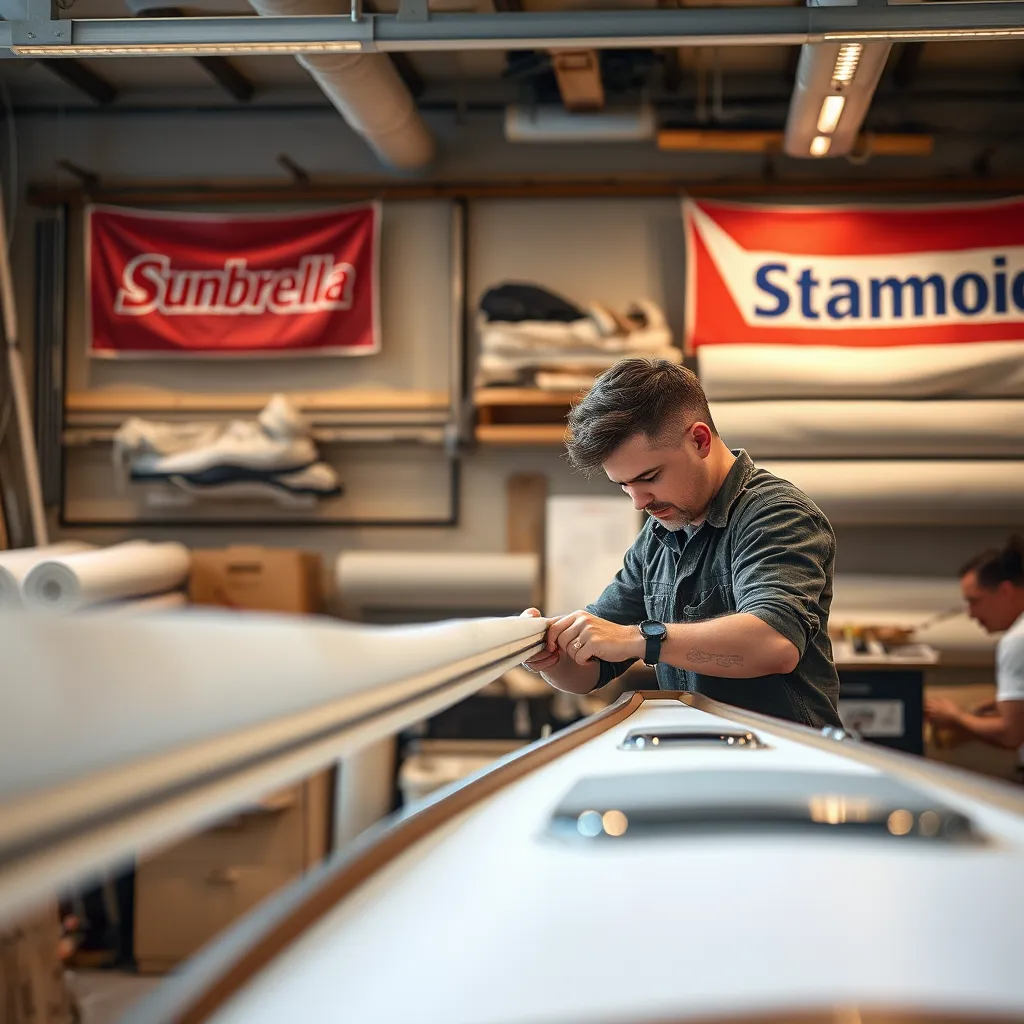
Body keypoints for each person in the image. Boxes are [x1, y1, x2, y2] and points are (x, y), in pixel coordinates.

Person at [522, 358, 843, 729]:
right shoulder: (660, 534)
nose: (639, 502)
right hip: (702, 755)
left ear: (700, 440)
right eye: (624, 485)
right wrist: (551, 657)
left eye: (650, 477)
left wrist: (640, 638)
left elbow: (774, 644)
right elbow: (589, 673)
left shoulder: (777, 515)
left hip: (787, 762)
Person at [924, 537, 1024, 777]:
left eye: (975, 601)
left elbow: (1011, 733)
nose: (971, 614)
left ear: (1006, 591)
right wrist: (985, 707)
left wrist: (957, 717)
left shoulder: (1016, 641)